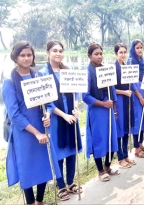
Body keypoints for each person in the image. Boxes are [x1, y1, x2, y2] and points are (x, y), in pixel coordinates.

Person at [3, 40, 61, 205]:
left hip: (43, 128)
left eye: (29, 55)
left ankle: (39, 201)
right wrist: (36, 133)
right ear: (15, 57)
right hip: (25, 133)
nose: (26, 58)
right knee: (27, 168)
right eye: (23, 55)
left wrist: (48, 115)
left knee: (44, 164)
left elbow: (49, 103)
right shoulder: (9, 82)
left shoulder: (39, 76)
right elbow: (14, 114)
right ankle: (30, 202)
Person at [40, 40, 82, 201]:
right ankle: (61, 185)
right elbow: (47, 101)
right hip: (57, 118)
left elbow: (76, 92)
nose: (58, 53)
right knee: (58, 152)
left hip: (72, 115)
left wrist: (76, 108)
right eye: (54, 50)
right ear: (48, 53)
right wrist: (64, 115)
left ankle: (71, 182)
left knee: (72, 148)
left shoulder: (68, 70)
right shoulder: (43, 73)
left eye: (60, 51)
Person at [83, 42, 119, 182]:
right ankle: (100, 170)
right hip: (97, 111)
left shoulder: (106, 70)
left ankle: (107, 166)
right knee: (98, 140)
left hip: (109, 109)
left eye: (101, 54)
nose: (99, 57)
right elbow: (85, 96)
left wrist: (114, 110)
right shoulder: (88, 73)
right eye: (96, 54)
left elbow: (113, 91)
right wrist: (103, 103)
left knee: (111, 137)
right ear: (89, 56)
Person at [127, 39, 144, 158]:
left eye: (141, 47)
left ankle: (141, 144)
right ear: (133, 49)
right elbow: (131, 82)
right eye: (137, 48)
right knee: (137, 120)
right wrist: (140, 97)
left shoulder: (143, 61)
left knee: (143, 119)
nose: (140, 50)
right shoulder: (131, 61)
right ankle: (136, 148)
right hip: (136, 95)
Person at [113, 43, 136, 169]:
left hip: (128, 101)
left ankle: (126, 154)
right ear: (116, 54)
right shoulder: (113, 68)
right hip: (119, 101)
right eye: (120, 52)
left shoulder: (127, 67)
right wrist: (124, 92)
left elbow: (131, 84)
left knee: (127, 128)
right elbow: (111, 89)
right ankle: (120, 157)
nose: (123, 54)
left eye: (124, 52)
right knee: (119, 129)